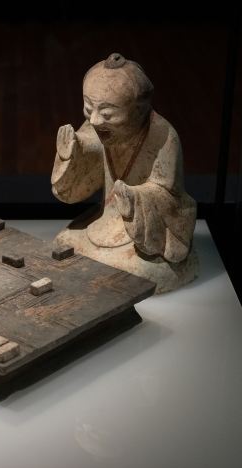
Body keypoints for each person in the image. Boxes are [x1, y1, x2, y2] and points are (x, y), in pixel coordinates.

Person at [51, 53, 198, 293]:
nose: (95, 120)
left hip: (140, 226)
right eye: (88, 108)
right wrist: (75, 151)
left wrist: (136, 198)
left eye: (107, 114)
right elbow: (91, 147)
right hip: (105, 216)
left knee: (140, 271)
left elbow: (167, 193)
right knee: (65, 241)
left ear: (138, 109)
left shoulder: (163, 136)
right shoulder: (97, 125)